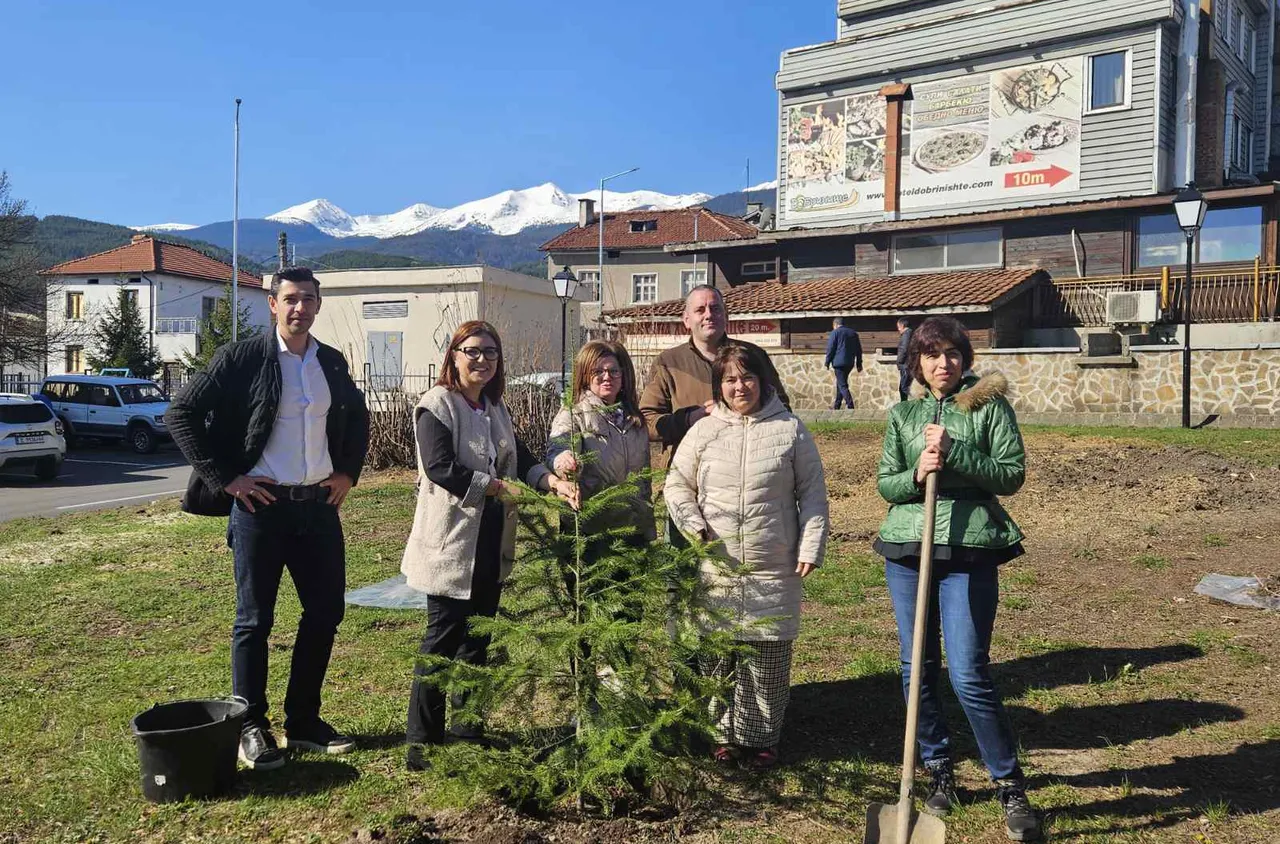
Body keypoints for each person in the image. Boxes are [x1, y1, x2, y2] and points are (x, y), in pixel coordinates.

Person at [167, 266, 370, 771]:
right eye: (291, 299)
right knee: (254, 620)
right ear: (274, 306)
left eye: (309, 299)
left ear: (319, 306)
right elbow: (181, 414)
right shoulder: (242, 358)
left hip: (319, 509)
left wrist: (347, 472)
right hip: (261, 508)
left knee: (325, 613)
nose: (300, 308)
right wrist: (226, 478)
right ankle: (251, 726)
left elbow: (358, 416)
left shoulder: (332, 362)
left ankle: (303, 722)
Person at [872, 316, 1040, 841]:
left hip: (970, 547)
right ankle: (938, 767)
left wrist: (956, 452)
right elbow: (886, 483)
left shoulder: (989, 407)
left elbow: (1010, 474)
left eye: (952, 354)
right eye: (931, 355)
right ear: (916, 363)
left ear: (965, 358)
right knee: (915, 667)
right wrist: (918, 471)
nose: (943, 364)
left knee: (968, 671)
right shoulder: (903, 415)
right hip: (907, 547)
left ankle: (1009, 783)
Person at [400, 320, 578, 771]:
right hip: (451, 541)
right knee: (441, 639)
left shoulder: (495, 407)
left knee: (478, 637)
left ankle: (467, 725)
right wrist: (497, 488)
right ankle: (422, 740)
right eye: (472, 351)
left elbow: (521, 455)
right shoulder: (436, 406)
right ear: (454, 356)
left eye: (491, 353)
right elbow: (441, 468)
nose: (482, 360)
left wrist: (550, 481)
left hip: (491, 539)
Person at [664, 341, 828, 770]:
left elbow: (812, 493)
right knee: (718, 656)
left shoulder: (790, 430)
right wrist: (694, 526)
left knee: (767, 658)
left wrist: (811, 544)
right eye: (730, 379)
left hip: (772, 563)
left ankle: (759, 739)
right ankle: (722, 735)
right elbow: (676, 484)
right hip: (716, 562)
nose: (740, 387)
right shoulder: (702, 430)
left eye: (748, 377)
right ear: (719, 384)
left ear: (763, 380)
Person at [639, 284, 790, 547]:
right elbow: (647, 422)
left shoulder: (752, 357)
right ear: (687, 320)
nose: (709, 314)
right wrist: (688, 419)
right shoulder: (669, 362)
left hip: (747, 484)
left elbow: (783, 410)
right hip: (689, 486)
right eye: (700, 309)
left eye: (715, 308)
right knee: (683, 571)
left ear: (726, 316)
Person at [547, 339, 656, 545]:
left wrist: (648, 529)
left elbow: (644, 481)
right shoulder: (574, 414)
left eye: (614, 371)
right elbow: (558, 448)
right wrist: (565, 462)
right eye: (598, 371)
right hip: (591, 532)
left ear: (623, 376)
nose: (607, 377)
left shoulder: (635, 420)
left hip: (633, 529)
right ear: (586, 376)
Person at [823, 316, 862, 410]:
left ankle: (850, 405)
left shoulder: (835, 333)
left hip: (838, 363)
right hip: (849, 363)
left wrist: (827, 362)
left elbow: (830, 348)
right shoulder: (853, 333)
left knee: (842, 385)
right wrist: (859, 364)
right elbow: (859, 350)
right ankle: (837, 406)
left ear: (835, 324)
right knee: (840, 383)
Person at [895, 317, 914, 402]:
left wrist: (899, 361)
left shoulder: (906, 335)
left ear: (902, 325)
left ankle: (918, 400)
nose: (898, 329)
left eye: (898, 327)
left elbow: (904, 349)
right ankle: (904, 405)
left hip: (905, 365)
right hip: (907, 364)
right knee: (902, 387)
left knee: (904, 387)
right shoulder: (910, 334)